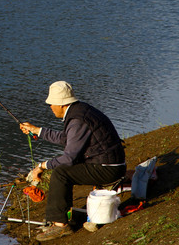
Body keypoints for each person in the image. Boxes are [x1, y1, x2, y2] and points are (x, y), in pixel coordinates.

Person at [20, 81, 126, 241]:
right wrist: (37, 130)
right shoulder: (80, 111)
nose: (50, 107)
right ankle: (61, 217)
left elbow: (69, 158)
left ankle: (60, 226)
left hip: (108, 168)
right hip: (107, 163)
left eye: (51, 104)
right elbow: (67, 139)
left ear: (61, 104)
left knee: (61, 173)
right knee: (63, 170)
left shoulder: (77, 120)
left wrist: (41, 166)